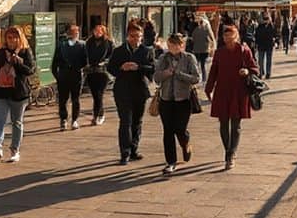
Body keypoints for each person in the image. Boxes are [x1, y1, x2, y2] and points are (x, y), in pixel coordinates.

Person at [204, 24, 259, 169]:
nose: (228, 38)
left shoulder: (244, 51)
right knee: (223, 123)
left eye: (231, 35)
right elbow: (213, 72)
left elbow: (255, 69)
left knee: (236, 124)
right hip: (222, 91)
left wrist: (247, 71)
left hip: (239, 91)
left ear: (236, 36)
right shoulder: (219, 53)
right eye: (225, 36)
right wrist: (208, 89)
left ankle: (231, 153)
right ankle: (227, 150)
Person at [0, 26, 35, 164]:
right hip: (0, 92)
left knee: (16, 122)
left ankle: (14, 150)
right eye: (9, 37)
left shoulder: (25, 52)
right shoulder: (0, 53)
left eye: (15, 37)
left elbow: (30, 70)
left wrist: (17, 63)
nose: (12, 40)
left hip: (18, 93)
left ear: (20, 38)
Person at [107, 22, 155, 165]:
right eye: (133, 36)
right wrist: (121, 68)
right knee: (125, 122)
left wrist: (138, 67)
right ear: (127, 36)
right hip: (122, 90)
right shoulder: (119, 51)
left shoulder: (147, 51)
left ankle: (134, 149)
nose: (136, 39)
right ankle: (125, 153)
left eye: (138, 36)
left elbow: (152, 68)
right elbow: (110, 68)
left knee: (137, 122)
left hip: (140, 90)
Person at [153, 33, 201, 176]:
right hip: (166, 99)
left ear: (181, 45)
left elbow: (196, 78)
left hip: (183, 99)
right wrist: (166, 73)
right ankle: (170, 162)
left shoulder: (188, 58)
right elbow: (156, 78)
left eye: (175, 45)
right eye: (170, 45)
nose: (172, 48)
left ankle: (185, 142)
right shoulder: (163, 58)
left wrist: (180, 75)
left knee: (180, 129)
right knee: (168, 131)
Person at [51, 23, 87, 131]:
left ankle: (74, 120)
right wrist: (57, 76)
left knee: (76, 99)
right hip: (63, 75)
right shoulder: (61, 45)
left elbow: (85, 61)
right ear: (68, 33)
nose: (76, 34)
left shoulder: (82, 45)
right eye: (73, 32)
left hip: (76, 76)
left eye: (77, 32)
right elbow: (55, 62)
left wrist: (81, 70)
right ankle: (63, 119)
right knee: (63, 99)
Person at [85, 24, 114, 126]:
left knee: (99, 95)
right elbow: (85, 55)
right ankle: (99, 114)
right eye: (95, 31)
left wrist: (105, 62)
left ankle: (97, 116)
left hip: (103, 72)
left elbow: (112, 57)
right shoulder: (89, 42)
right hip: (91, 71)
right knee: (95, 95)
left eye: (99, 31)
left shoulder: (108, 43)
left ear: (103, 32)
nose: (97, 33)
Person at [190, 16, 215, 86]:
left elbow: (193, 39)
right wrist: (211, 45)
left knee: (196, 64)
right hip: (205, 49)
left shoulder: (195, 30)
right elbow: (211, 38)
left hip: (196, 49)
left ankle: (197, 78)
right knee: (203, 65)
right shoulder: (206, 30)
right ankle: (204, 79)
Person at [254, 16, 277, 80]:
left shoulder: (271, 26)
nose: (266, 21)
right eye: (265, 20)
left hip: (269, 45)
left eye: (267, 20)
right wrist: (256, 44)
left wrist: (274, 40)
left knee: (268, 60)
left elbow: (274, 35)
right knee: (260, 61)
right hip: (261, 45)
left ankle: (268, 73)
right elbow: (256, 36)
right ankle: (261, 73)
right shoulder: (259, 27)